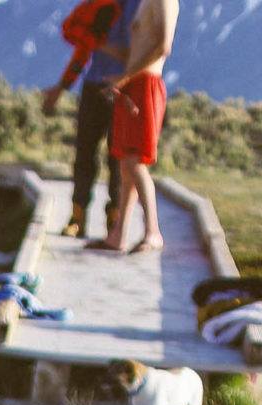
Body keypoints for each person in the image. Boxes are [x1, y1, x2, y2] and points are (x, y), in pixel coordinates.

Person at [100, 0, 178, 254]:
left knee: (135, 162)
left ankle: (153, 232)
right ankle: (119, 234)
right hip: (135, 85)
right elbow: (138, 50)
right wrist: (99, 44)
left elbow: (162, 47)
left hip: (146, 86)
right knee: (126, 165)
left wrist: (124, 78)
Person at [42, 0, 124, 240]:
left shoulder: (138, 7)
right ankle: (77, 217)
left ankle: (115, 218)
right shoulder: (100, 6)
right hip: (94, 88)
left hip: (125, 89)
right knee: (84, 152)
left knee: (117, 156)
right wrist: (61, 87)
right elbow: (77, 41)